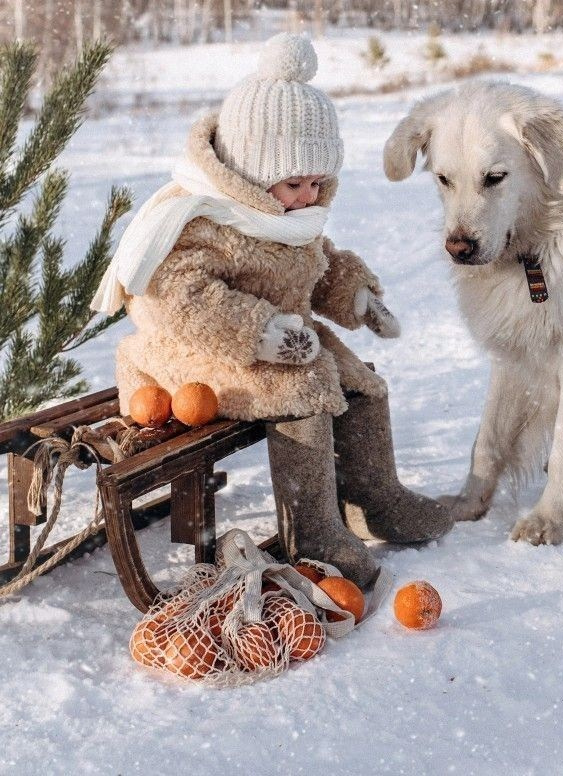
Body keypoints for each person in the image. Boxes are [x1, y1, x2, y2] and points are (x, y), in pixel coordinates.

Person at [92, 32, 452, 586]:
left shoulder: (282, 217)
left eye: (317, 183)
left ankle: (373, 498)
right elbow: (179, 300)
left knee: (358, 380)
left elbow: (315, 264)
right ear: (251, 175)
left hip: (282, 340)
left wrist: (355, 296)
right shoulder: (202, 221)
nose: (309, 196)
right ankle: (310, 531)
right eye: (295, 183)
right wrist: (263, 334)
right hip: (194, 353)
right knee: (303, 387)